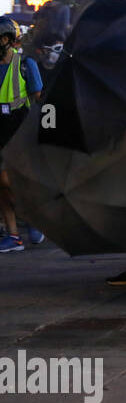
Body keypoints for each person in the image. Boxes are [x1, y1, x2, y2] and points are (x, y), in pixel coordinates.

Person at [0, 17, 43, 253]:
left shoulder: (26, 65)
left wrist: (50, 127)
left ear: (6, 40)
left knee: (10, 181)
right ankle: (14, 236)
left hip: (20, 132)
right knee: (2, 187)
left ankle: (34, 217)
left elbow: (40, 100)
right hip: (0, 132)